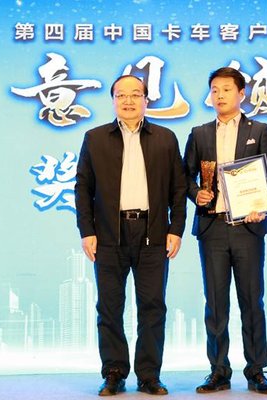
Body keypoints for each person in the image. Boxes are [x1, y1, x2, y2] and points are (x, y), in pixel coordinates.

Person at [75, 75, 186, 396]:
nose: (128, 100)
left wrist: (176, 229)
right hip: (109, 234)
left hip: (154, 233)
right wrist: (87, 231)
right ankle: (114, 372)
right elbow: (83, 188)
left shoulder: (165, 138)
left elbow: (178, 189)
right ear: (113, 100)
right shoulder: (95, 138)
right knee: (109, 307)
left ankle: (149, 375)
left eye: (135, 94)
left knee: (153, 306)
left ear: (146, 100)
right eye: (121, 95)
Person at [183, 67, 267, 395]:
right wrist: (197, 193)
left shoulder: (260, 130)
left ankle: (256, 371)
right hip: (212, 228)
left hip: (248, 228)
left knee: (252, 301)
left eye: (226, 89)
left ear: (241, 94)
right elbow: (185, 176)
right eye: (214, 89)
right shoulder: (199, 133)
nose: (219, 95)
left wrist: (260, 203)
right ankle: (218, 371)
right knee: (215, 303)